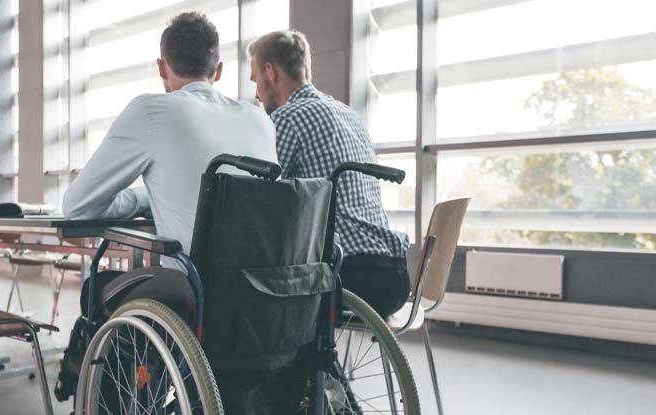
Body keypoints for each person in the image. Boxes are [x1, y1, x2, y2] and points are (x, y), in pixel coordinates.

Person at [54, 12, 278, 400]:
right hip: (264, 292)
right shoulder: (258, 118)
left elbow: (78, 205)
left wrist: (142, 196)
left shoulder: (152, 111)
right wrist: (154, 196)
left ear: (162, 67)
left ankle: (122, 395)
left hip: (198, 290)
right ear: (219, 70)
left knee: (98, 286)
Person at [247, 30, 411, 318]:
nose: (256, 92)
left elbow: (260, 195)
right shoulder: (349, 114)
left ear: (270, 72)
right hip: (395, 274)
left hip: (350, 277)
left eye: (255, 79)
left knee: (254, 289)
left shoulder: (288, 117)